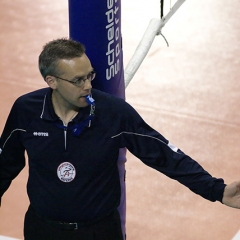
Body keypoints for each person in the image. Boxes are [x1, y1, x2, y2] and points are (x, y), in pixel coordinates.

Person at [0, 38, 240, 240]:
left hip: (100, 232)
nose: (87, 86)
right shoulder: (27, 111)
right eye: (78, 80)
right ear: (51, 81)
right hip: (42, 230)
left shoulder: (113, 113)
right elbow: (4, 165)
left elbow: (163, 154)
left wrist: (216, 190)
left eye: (89, 76)